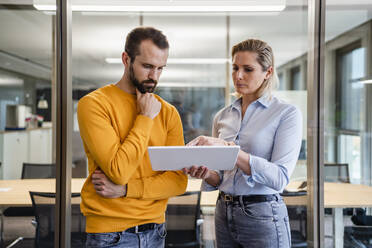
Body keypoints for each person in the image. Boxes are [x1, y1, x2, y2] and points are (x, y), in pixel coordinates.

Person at [183, 39, 302, 248]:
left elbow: (280, 178)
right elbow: (220, 176)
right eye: (235, 68)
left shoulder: (286, 113)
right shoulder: (222, 116)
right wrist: (206, 173)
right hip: (224, 210)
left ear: (268, 72)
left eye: (248, 69)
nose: (238, 76)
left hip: (263, 215)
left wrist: (229, 149)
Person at [77, 27, 188, 248]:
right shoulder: (94, 104)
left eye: (160, 68)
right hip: (110, 234)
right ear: (126, 59)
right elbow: (119, 171)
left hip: (157, 231)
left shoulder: (168, 113)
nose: (153, 77)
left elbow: (178, 181)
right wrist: (145, 117)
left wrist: (127, 190)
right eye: (147, 66)